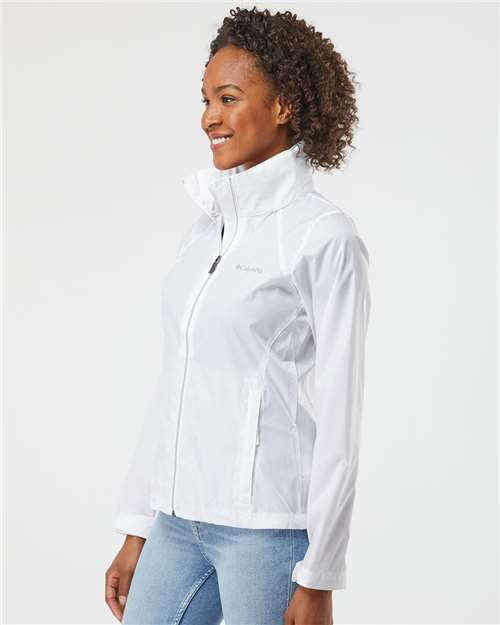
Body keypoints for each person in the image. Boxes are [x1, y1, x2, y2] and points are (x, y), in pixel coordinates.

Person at [105, 6, 371, 625]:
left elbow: (340, 419)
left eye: (228, 98)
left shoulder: (324, 236)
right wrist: (138, 525)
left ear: (283, 105)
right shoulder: (205, 233)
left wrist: (320, 574)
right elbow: (175, 383)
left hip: (267, 531)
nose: (209, 117)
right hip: (177, 525)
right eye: (206, 100)